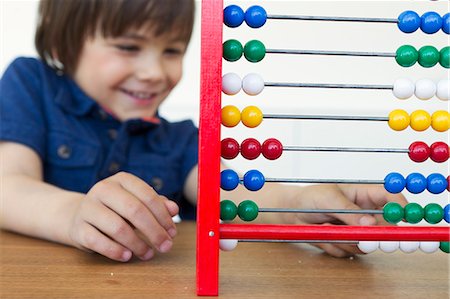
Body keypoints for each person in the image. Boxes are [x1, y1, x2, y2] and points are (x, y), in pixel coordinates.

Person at [0, 0, 406, 262]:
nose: (155, 72)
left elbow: (232, 193)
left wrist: (302, 204)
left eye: (172, 50)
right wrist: (73, 215)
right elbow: (7, 185)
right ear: (65, 40)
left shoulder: (179, 140)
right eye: (128, 47)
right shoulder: (30, 85)